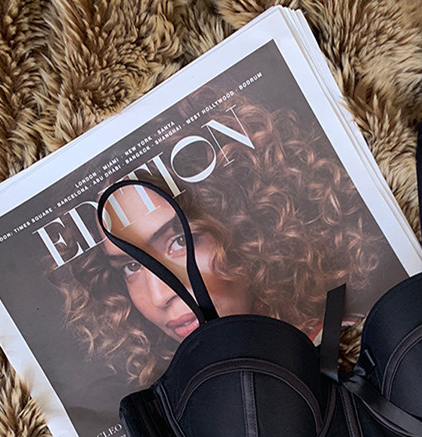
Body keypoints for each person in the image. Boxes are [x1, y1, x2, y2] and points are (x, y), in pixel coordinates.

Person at [55, 99, 389, 387]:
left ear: (253, 225)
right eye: (131, 266)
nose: (159, 296)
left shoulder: (362, 350)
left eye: (180, 241)